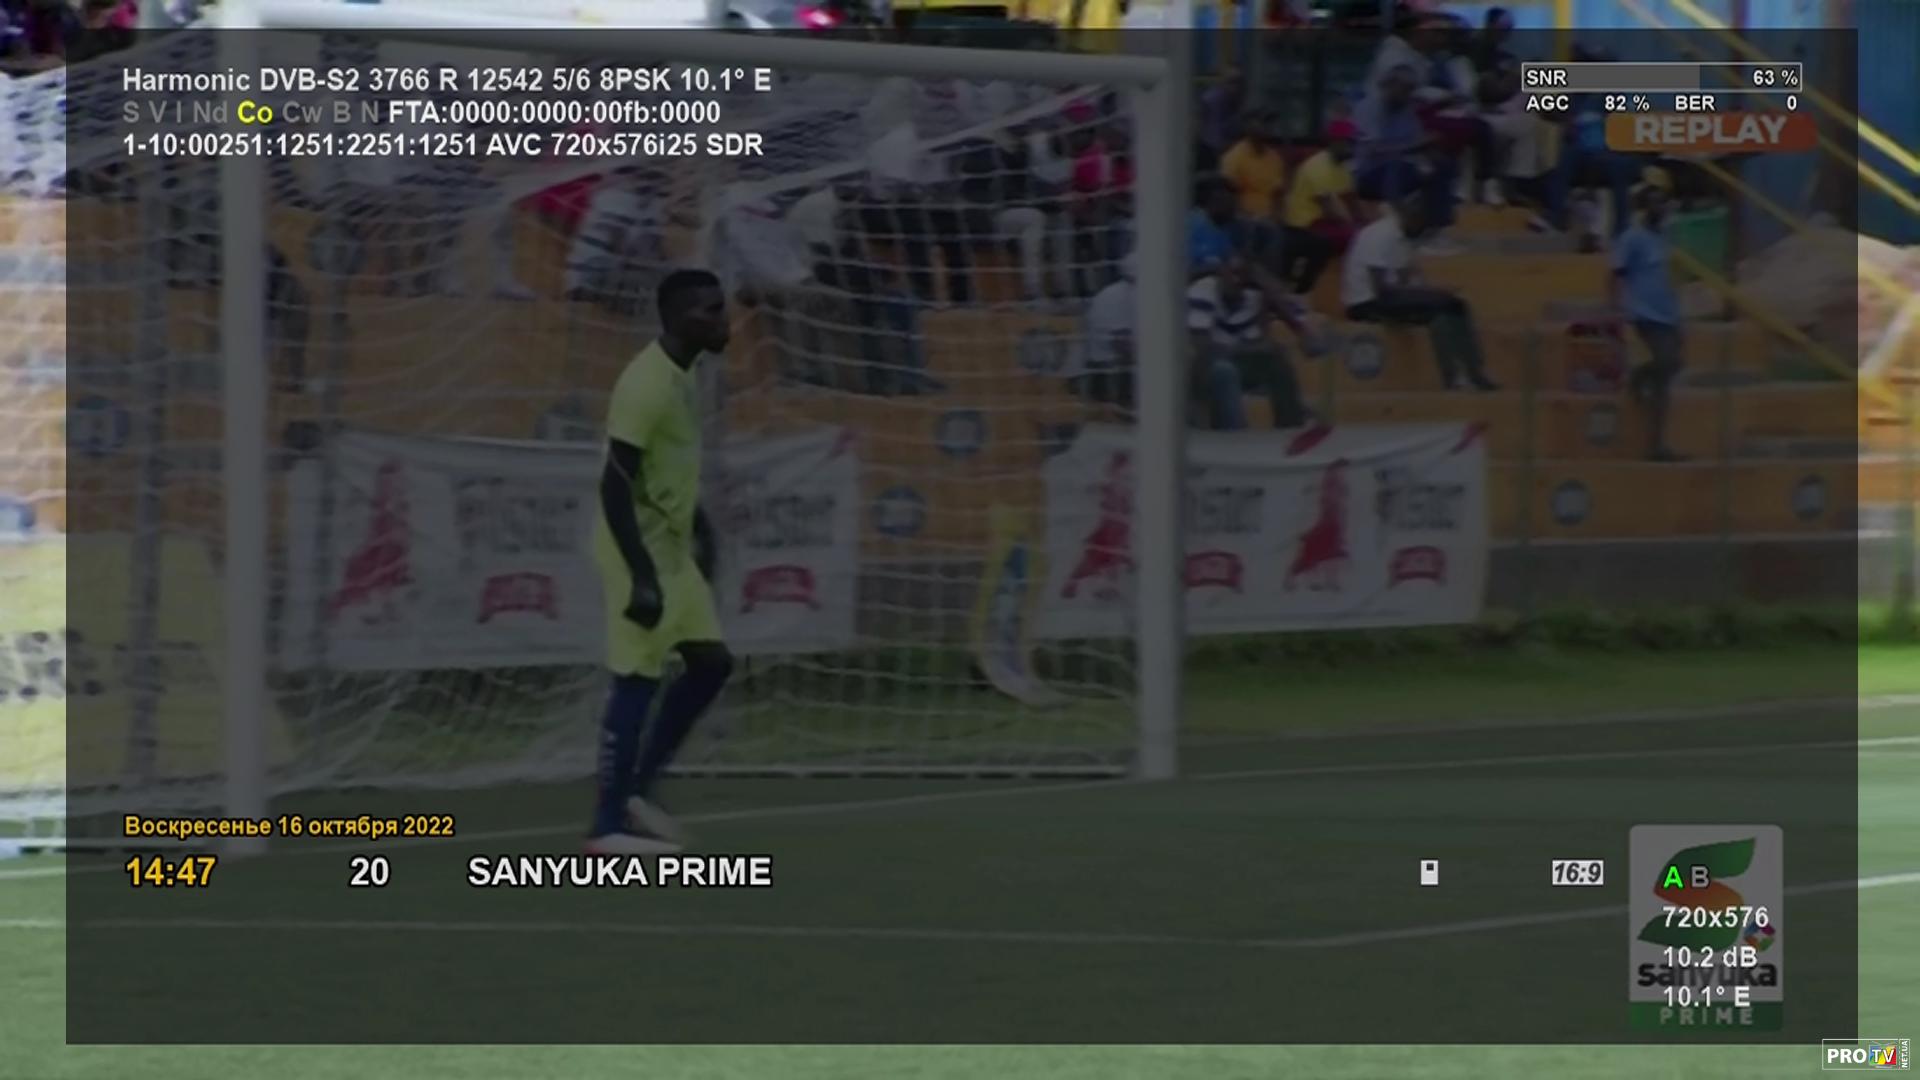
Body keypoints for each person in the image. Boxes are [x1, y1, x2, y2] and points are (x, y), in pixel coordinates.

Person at [587, 269, 736, 854]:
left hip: (671, 550)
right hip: (636, 551)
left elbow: (663, 468)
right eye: (710, 311)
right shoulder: (645, 384)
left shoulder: (684, 373)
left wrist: (698, 530)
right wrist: (641, 575)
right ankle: (606, 828)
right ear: (676, 318)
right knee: (637, 677)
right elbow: (615, 482)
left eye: (722, 308)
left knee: (711, 664)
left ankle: (636, 792)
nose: (723, 320)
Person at [1342, 195, 1499, 391]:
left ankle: (1470, 373)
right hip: (1365, 303)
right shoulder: (1380, 235)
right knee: (1445, 305)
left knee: (1451, 308)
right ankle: (1458, 377)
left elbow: (1403, 281)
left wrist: (1429, 292)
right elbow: (1382, 289)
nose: (1424, 231)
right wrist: (1432, 293)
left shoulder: (1404, 237)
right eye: (1424, 225)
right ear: (1412, 216)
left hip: (1388, 297)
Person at [1609, 170, 1686, 462]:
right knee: (1666, 365)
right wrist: (1617, 308)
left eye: (1663, 202)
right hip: (1644, 314)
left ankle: (1642, 379)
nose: (1660, 208)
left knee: (1672, 367)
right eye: (1655, 202)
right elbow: (1616, 273)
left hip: (1669, 313)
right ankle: (1655, 444)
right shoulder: (1633, 237)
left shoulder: (1665, 236)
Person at [1188, 255, 1313, 430]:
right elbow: (1203, 348)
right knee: (1224, 370)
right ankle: (1234, 436)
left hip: (1237, 361)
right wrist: (1250, 349)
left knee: (1277, 360)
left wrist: (1269, 289)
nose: (1236, 280)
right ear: (1221, 273)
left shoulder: (1254, 295)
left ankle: (1290, 427)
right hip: (1202, 369)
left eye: (1242, 275)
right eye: (1232, 274)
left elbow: (1298, 316)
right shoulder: (1202, 291)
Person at [1353, 63, 1457, 235]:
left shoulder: (1407, 109)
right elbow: (1374, 149)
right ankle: (1401, 225)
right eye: (1404, 88)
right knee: (1394, 166)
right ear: (1389, 85)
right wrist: (1414, 145)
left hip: (1402, 166)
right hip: (1369, 172)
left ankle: (1439, 226)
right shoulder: (1368, 108)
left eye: (1411, 89)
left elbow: (1417, 140)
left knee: (1440, 163)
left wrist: (1430, 148)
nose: (1408, 94)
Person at [1281, 119, 1361, 295]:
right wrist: (1355, 228)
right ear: (1335, 142)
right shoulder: (1318, 166)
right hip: (1304, 224)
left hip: (1323, 221)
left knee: (1363, 236)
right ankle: (1304, 291)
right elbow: (1329, 209)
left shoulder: (1341, 167)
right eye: (1348, 142)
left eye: (1353, 143)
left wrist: (1364, 224)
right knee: (1353, 239)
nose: (1352, 147)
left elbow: (1350, 199)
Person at [1219, 109, 1289, 224]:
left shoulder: (1275, 158)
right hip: (1243, 223)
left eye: (1269, 122)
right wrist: (1249, 220)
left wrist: (1276, 219)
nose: (1267, 127)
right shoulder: (1233, 158)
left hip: (1271, 223)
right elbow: (1228, 200)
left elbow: (1278, 196)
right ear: (1248, 125)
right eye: (1263, 121)